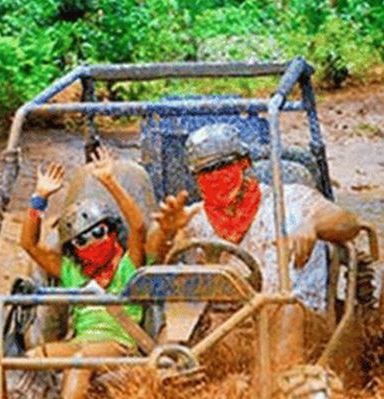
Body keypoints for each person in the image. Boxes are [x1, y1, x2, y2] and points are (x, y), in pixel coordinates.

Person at [147, 123, 360, 370]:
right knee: (176, 323)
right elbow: (154, 256)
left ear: (244, 163)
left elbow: (348, 222)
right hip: (226, 326)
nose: (215, 177)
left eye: (222, 166)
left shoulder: (291, 199)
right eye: (205, 172)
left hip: (298, 320)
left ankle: (281, 392)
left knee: (285, 309)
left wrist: (312, 225)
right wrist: (165, 231)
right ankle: (162, 385)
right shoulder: (192, 217)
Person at [20, 146, 146, 399]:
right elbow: (29, 244)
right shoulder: (71, 272)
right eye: (81, 241)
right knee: (23, 362)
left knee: (80, 361)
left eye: (98, 233)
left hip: (118, 345)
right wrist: (39, 198)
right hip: (78, 342)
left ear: (112, 232)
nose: (92, 243)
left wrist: (110, 182)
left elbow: (138, 227)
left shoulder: (128, 266)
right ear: (73, 249)